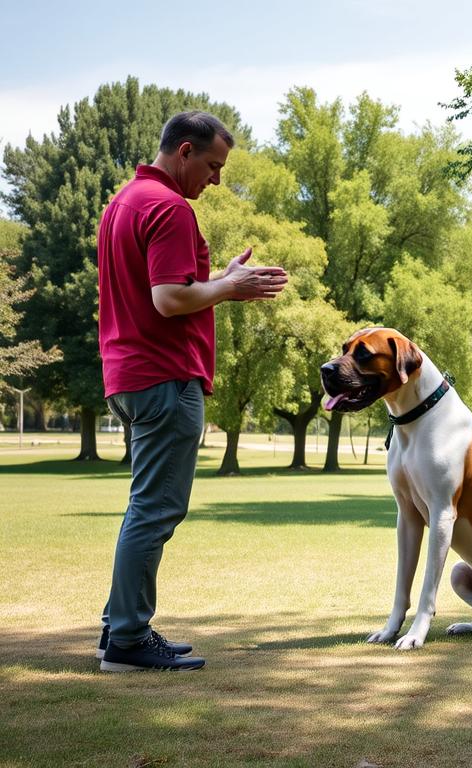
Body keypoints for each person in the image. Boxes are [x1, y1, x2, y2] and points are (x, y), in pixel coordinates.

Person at [96, 111, 288, 671]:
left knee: (144, 508)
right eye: (212, 165)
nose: (216, 179)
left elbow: (168, 289)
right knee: (156, 511)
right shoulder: (169, 207)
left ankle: (118, 629)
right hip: (164, 378)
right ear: (184, 151)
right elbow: (168, 300)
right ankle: (128, 640)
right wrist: (230, 287)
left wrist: (219, 279)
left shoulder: (123, 203)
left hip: (130, 376)